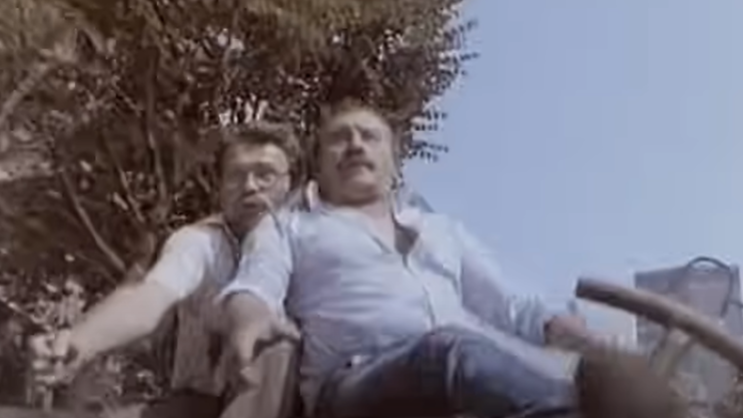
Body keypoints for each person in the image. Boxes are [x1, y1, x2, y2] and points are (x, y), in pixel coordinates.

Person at [220, 99, 604, 418]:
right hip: (354, 386)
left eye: (369, 136)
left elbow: (510, 304)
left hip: (455, 383)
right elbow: (256, 283)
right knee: (450, 352)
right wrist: (249, 316)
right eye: (339, 139)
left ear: (394, 161)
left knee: (570, 383)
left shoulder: (441, 230)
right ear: (319, 165)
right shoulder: (291, 226)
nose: (355, 145)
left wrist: (568, 331)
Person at [29, 122, 304, 418]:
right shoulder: (201, 243)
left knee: (283, 344)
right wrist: (80, 341)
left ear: (291, 185)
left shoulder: (316, 241)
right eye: (236, 176)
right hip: (205, 405)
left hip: (307, 400)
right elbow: (150, 298)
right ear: (220, 188)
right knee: (269, 343)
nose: (250, 186)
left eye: (265, 175)